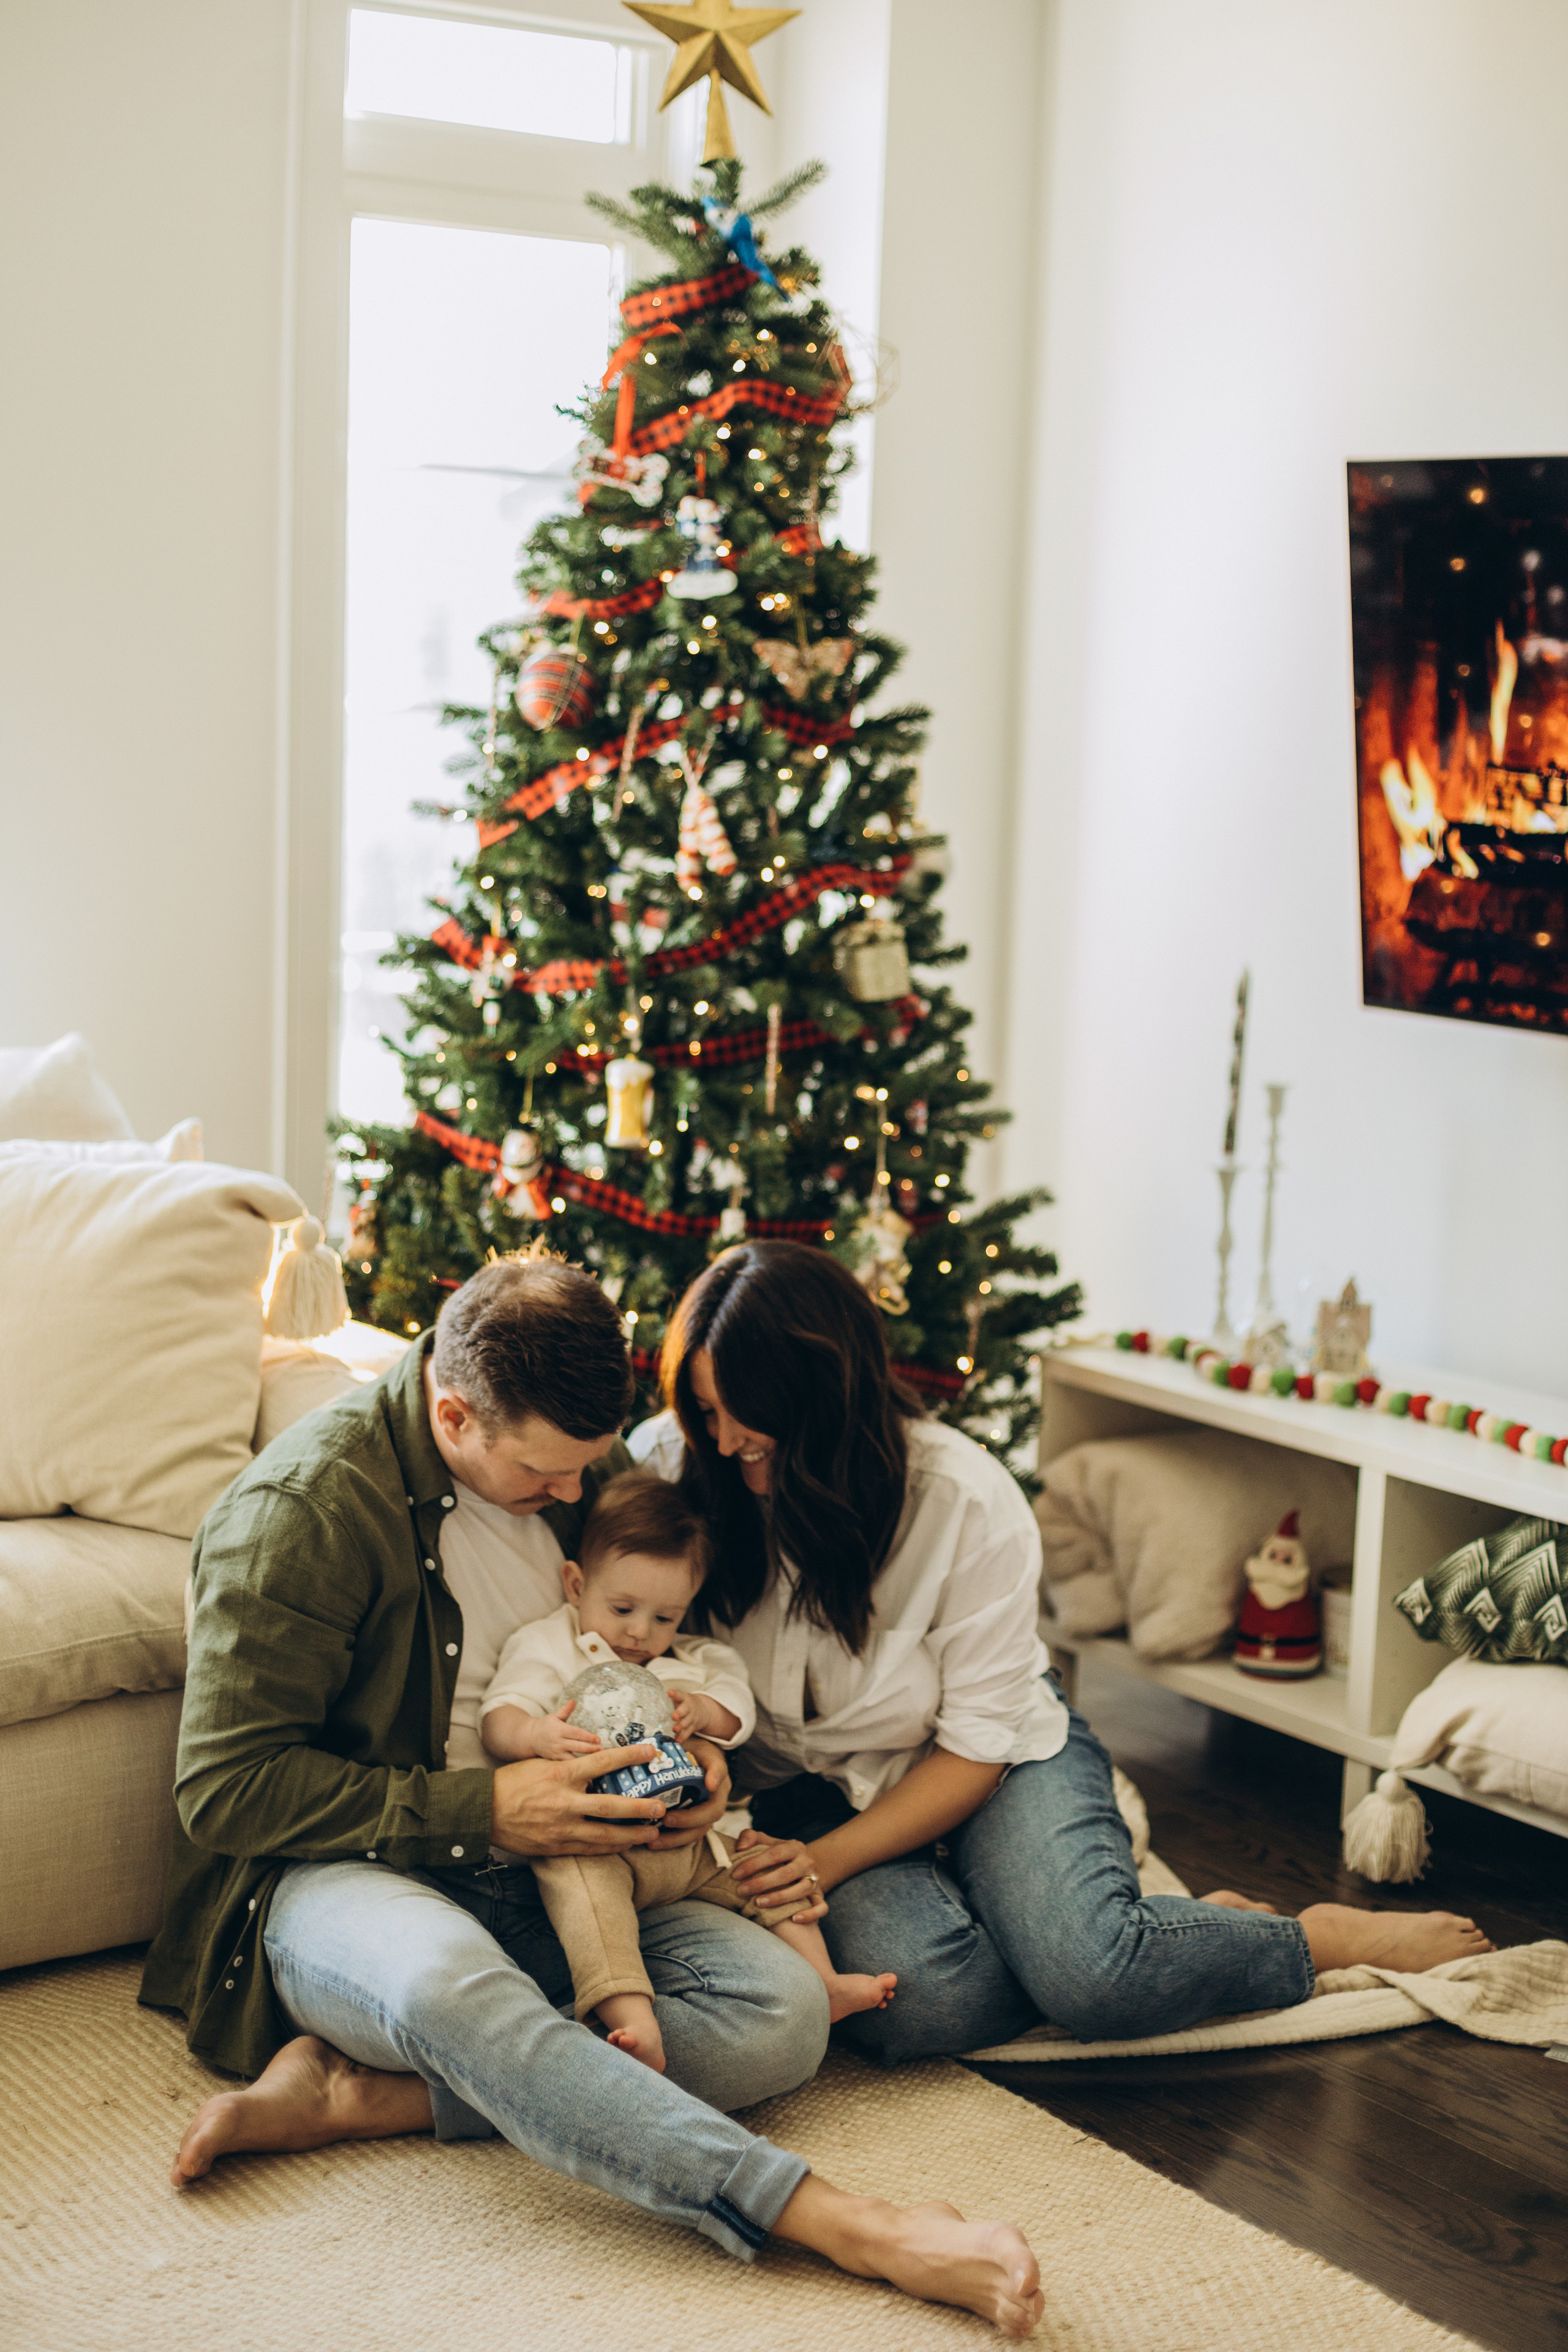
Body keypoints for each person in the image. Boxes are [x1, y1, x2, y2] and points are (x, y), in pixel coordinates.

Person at [144, 1254, 1044, 2339]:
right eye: (547, 1476)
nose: (577, 1497)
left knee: (784, 2016)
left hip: (580, 1864)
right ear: (454, 1415)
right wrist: (490, 1810)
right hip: (358, 1875)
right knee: (450, 1983)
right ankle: (847, 2224)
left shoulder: (586, 1462)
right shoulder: (304, 1514)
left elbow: (663, 1655)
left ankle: (369, 2093)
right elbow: (226, 1790)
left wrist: (697, 1764)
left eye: (587, 1469)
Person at [630, 1240, 1496, 2065]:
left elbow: (978, 1746)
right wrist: (707, 1755)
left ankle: (1298, 1939)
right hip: (805, 1793)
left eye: (751, 1414)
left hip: (992, 1762)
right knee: (921, 2005)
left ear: (828, 1398)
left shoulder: (961, 1499)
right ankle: (1127, 1930)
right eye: (705, 1409)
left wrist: (825, 1865)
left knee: (1097, 1978)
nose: (727, 1439)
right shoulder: (672, 1466)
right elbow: (643, 1652)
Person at [478, 1468, 897, 2072]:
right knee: (586, 1902)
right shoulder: (549, 1646)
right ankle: (632, 2019)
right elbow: (498, 1716)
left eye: (665, 1618)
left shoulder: (695, 1663)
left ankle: (825, 1981)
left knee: (765, 1868)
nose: (639, 1633)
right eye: (622, 1608)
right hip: (593, 1844)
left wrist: (702, 1712)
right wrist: (533, 1734)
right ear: (576, 1583)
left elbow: (737, 1716)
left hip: (688, 1844)